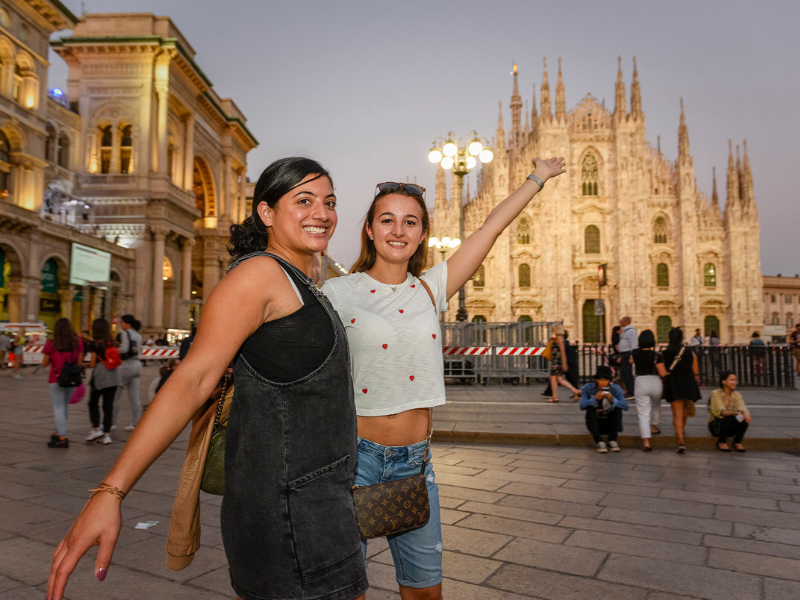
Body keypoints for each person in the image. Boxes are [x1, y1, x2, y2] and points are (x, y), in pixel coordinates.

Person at [47, 157, 368, 600]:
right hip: (290, 512)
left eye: (329, 202)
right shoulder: (258, 275)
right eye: (304, 200)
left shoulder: (299, 279)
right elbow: (193, 379)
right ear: (267, 213)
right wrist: (111, 491)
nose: (323, 213)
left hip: (316, 501)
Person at [322, 157, 566, 600]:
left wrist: (538, 178)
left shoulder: (431, 289)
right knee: (346, 592)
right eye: (388, 220)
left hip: (415, 463)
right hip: (354, 459)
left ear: (421, 234)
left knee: (424, 592)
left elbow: (490, 229)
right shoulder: (338, 292)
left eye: (410, 222)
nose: (399, 230)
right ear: (371, 230)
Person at [41, 318, 84, 449]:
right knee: (64, 406)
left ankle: (62, 437)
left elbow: (44, 363)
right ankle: (58, 431)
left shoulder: (51, 344)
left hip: (56, 379)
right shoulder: (78, 343)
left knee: (58, 408)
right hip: (72, 379)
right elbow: (80, 362)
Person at [662, 327, 702, 454]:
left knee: (677, 413)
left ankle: (680, 441)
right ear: (681, 338)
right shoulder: (690, 352)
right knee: (685, 411)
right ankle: (682, 430)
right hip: (688, 383)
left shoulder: (665, 353)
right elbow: (695, 371)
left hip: (674, 384)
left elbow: (663, 372)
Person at [83, 318, 121, 446]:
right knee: (108, 405)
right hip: (114, 377)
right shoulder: (113, 342)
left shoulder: (94, 344)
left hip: (100, 376)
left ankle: (96, 429)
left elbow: (93, 363)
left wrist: (84, 365)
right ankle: (106, 435)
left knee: (93, 403)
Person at [630, 330, 667, 452]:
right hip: (655, 382)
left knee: (643, 413)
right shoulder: (657, 355)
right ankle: (654, 427)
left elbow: (630, 361)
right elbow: (662, 373)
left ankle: (646, 441)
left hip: (641, 382)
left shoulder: (635, 353)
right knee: (656, 405)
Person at [579, 365, 628, 453]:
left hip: (611, 423)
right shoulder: (588, 388)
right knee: (589, 408)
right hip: (595, 424)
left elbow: (625, 406)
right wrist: (594, 399)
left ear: (609, 380)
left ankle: (613, 440)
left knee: (618, 408)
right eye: (600, 380)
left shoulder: (615, 388)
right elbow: (582, 405)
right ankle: (599, 441)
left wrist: (612, 400)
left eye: (605, 380)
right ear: (596, 380)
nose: (603, 383)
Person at [708, 371, 751, 452]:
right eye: (731, 380)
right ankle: (721, 441)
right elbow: (721, 412)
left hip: (730, 426)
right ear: (724, 381)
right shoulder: (716, 393)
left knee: (744, 418)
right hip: (717, 426)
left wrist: (746, 413)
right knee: (729, 417)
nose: (734, 382)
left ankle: (738, 441)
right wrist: (736, 413)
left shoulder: (736, 394)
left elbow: (742, 406)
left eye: (735, 380)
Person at [113, 315, 143, 431]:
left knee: (116, 396)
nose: (120, 325)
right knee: (134, 397)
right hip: (136, 365)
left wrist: (114, 350)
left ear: (127, 324)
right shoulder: (138, 335)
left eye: (122, 323)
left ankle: (112, 423)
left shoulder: (125, 333)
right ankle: (136, 423)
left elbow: (124, 349)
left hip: (125, 365)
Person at [544, 322, 581, 402]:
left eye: (553, 328)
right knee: (558, 378)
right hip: (556, 361)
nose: (552, 330)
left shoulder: (559, 337)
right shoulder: (557, 337)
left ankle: (556, 396)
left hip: (557, 361)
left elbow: (563, 351)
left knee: (554, 378)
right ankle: (557, 395)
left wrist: (564, 363)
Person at [617, 317, 638, 398]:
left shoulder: (631, 331)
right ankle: (629, 390)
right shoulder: (625, 330)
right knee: (624, 372)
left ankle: (631, 391)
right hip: (624, 354)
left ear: (626, 321)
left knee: (627, 372)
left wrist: (632, 355)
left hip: (628, 353)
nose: (620, 322)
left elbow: (633, 343)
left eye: (621, 320)